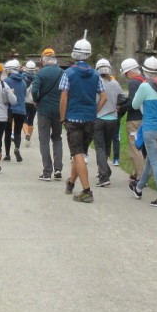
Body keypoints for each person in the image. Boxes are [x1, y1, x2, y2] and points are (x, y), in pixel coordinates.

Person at [60, 38, 104, 202]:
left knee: (77, 154)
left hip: (73, 118)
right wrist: (94, 110)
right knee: (79, 153)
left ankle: (86, 191)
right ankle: (71, 183)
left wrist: (62, 117)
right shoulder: (95, 74)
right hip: (90, 120)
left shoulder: (69, 73)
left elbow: (64, 97)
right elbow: (104, 97)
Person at [129, 56, 157, 208]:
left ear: (145, 72)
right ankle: (139, 188)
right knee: (152, 161)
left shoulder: (145, 86)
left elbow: (134, 105)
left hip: (150, 129)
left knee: (155, 162)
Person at [30, 48, 65, 181]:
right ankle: (58, 169)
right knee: (57, 138)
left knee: (44, 140)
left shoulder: (41, 73)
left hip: (44, 110)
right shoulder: (62, 73)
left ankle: (47, 171)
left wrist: (36, 100)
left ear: (44, 59)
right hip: (58, 110)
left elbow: (34, 89)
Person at [93, 59, 123, 189]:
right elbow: (122, 98)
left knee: (99, 147)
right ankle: (103, 171)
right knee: (106, 146)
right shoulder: (115, 83)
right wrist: (116, 106)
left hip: (99, 118)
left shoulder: (96, 82)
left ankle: (104, 176)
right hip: (112, 119)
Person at [119, 57, 146, 182]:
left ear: (129, 72)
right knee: (142, 147)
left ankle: (141, 177)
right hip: (146, 118)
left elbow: (132, 103)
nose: (126, 76)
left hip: (135, 119)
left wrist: (120, 108)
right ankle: (136, 173)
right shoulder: (145, 80)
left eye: (125, 74)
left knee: (134, 149)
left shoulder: (133, 82)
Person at [2, 59, 28, 162]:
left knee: (8, 132)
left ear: (9, 71)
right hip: (21, 110)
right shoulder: (23, 82)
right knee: (17, 131)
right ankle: (17, 147)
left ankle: (7, 154)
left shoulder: (6, 81)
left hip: (10, 110)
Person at [22, 60, 38, 144]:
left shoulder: (22, 77)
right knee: (31, 120)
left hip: (25, 100)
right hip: (33, 101)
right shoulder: (37, 78)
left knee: (24, 119)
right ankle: (29, 139)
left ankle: (26, 134)